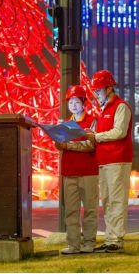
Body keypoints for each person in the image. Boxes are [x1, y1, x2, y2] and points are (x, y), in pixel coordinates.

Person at [83, 70, 133, 254]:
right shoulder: (104, 110)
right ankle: (110, 238)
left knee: (117, 201)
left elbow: (119, 132)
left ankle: (117, 240)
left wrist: (96, 136)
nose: (96, 94)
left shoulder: (121, 107)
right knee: (109, 202)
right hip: (104, 162)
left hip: (118, 161)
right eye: (95, 91)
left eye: (99, 90)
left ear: (110, 88)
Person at [54, 85, 99, 255]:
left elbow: (91, 145)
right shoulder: (64, 124)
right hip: (69, 172)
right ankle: (73, 245)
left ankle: (89, 243)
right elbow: (60, 146)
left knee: (90, 209)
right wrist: (56, 137)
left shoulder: (92, 121)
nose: (73, 105)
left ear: (83, 103)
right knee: (71, 211)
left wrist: (69, 145)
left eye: (76, 101)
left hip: (89, 172)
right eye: (70, 102)